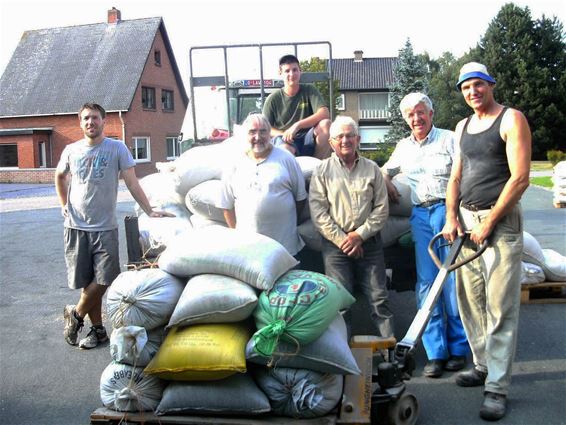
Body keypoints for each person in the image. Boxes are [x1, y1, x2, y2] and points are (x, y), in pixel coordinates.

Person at [442, 62, 531, 421]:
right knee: (470, 301)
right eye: (465, 88)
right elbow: (455, 177)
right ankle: (481, 365)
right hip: (466, 223)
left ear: (491, 84)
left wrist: (490, 222)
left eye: (478, 85)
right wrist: (451, 217)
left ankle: (497, 388)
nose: (472, 92)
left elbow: (521, 177)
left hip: (501, 223)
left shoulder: (511, 119)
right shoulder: (462, 127)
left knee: (499, 307)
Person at [55, 102, 173, 349]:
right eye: (86, 118)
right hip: (76, 227)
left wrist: (150, 209)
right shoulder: (71, 150)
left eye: (95, 118)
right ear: (80, 122)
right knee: (89, 282)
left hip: (105, 226)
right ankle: (98, 331)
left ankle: (75, 314)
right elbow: (60, 176)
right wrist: (63, 203)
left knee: (106, 277)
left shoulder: (116, 148)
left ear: (103, 121)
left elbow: (131, 182)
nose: (90, 122)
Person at [382, 93, 469, 378]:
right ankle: (435, 352)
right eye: (410, 114)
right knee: (426, 283)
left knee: (451, 281)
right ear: (405, 119)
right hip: (420, 215)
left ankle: (458, 349)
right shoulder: (404, 146)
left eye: (421, 112)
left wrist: (455, 214)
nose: (416, 118)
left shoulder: (448, 139)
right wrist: (386, 180)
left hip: (448, 211)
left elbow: (465, 172)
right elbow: (385, 169)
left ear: (431, 113)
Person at [309, 115, 393, 338]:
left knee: (379, 299)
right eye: (340, 137)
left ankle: (391, 354)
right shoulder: (322, 171)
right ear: (332, 142)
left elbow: (382, 209)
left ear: (358, 139)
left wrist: (360, 235)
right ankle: (344, 357)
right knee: (340, 302)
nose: (345, 140)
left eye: (349, 136)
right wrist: (344, 240)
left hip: (370, 243)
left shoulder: (372, 168)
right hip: (335, 247)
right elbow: (318, 213)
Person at [217, 113, 307, 257]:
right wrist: (238, 234)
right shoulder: (234, 163)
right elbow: (226, 206)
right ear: (245, 135)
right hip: (248, 249)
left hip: (285, 247)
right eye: (252, 132)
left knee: (289, 280)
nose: (257, 137)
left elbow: (300, 198)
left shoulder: (286, 159)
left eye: (263, 131)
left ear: (270, 134)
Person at [262, 54, 331, 160]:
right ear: (280, 73)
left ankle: (318, 170)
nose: (292, 74)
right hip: (285, 141)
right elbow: (266, 128)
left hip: (308, 138)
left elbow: (324, 113)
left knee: (326, 124)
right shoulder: (273, 99)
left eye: (295, 70)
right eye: (287, 71)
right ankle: (292, 174)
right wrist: (284, 134)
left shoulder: (309, 90)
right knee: (284, 150)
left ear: (300, 71)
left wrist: (297, 125)